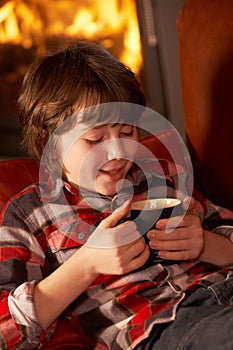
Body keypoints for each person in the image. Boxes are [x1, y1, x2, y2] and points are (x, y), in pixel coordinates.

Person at [0, 41, 233, 350]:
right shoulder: (30, 214)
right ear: (50, 141)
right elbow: (5, 331)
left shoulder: (160, 175)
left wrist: (206, 245)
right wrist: (87, 264)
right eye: (95, 139)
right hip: (165, 327)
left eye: (127, 133)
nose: (119, 151)